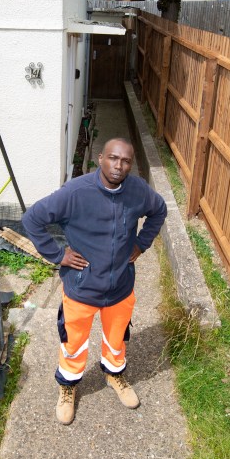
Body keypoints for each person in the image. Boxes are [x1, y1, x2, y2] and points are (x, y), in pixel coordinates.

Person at [22, 137, 167, 425]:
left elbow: (159, 210)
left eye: (126, 161)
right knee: (73, 342)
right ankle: (68, 386)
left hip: (120, 287)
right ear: (101, 158)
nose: (119, 165)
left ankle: (115, 375)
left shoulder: (137, 190)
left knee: (117, 339)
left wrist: (141, 244)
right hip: (81, 288)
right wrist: (58, 254)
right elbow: (32, 219)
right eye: (113, 158)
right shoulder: (75, 193)